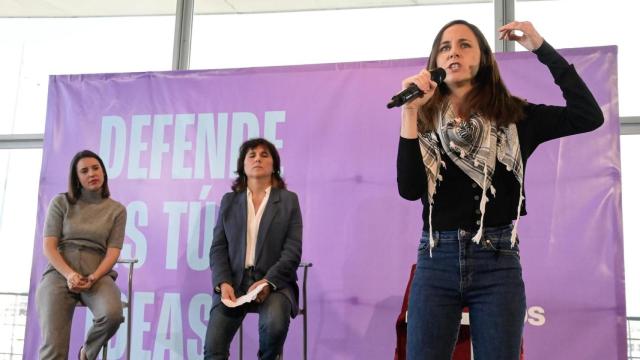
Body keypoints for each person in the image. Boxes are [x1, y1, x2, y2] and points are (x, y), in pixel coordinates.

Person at [396, 20, 603, 359]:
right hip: (437, 259)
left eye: (464, 45)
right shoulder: (424, 118)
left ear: (483, 59)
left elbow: (588, 116)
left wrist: (541, 47)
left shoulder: (515, 116)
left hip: (498, 259)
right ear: (435, 62)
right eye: (445, 47)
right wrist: (409, 112)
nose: (453, 53)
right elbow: (409, 189)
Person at [204, 138, 303, 360]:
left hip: (275, 283)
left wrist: (269, 282)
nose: (258, 158)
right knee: (213, 349)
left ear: (274, 165)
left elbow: (293, 251)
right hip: (234, 284)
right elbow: (218, 247)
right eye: (252, 155)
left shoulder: (288, 201)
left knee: (274, 326)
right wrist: (223, 283)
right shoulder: (229, 201)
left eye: (264, 154)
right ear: (243, 165)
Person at [35, 150, 127, 360]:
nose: (91, 173)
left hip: (97, 273)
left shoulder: (117, 210)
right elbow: (49, 246)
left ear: (103, 172)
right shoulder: (61, 202)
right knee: (54, 347)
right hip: (60, 272)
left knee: (113, 315)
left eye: (95, 168)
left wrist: (94, 276)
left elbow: (113, 251)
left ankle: (86, 353)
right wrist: (69, 274)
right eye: (84, 171)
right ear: (76, 178)